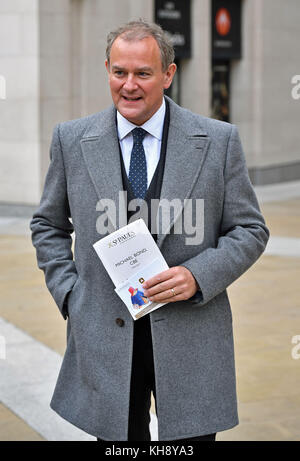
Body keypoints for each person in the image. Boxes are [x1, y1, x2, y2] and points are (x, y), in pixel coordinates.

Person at [30, 20, 269, 442]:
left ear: (168, 74)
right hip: (105, 335)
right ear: (107, 69)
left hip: (191, 335)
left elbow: (250, 229)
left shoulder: (218, 140)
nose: (129, 85)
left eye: (143, 73)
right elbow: (48, 225)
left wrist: (199, 275)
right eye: (119, 72)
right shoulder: (71, 140)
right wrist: (71, 294)